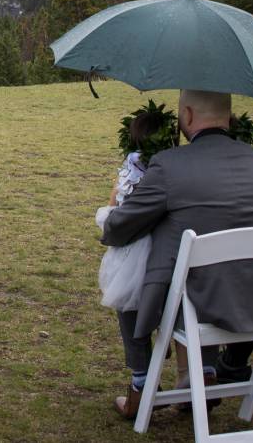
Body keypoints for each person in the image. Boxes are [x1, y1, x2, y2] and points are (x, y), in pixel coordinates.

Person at [101, 90, 253, 419]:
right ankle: (203, 372)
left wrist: (111, 211)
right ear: (228, 116)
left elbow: (119, 228)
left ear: (187, 115)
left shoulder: (170, 165)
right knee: (200, 268)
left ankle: (142, 385)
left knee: (131, 271)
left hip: (196, 298)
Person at [96, 106, 168, 395]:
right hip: (168, 249)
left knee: (130, 309)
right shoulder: (169, 168)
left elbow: (114, 208)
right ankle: (202, 370)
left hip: (134, 252)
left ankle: (141, 379)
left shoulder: (132, 169)